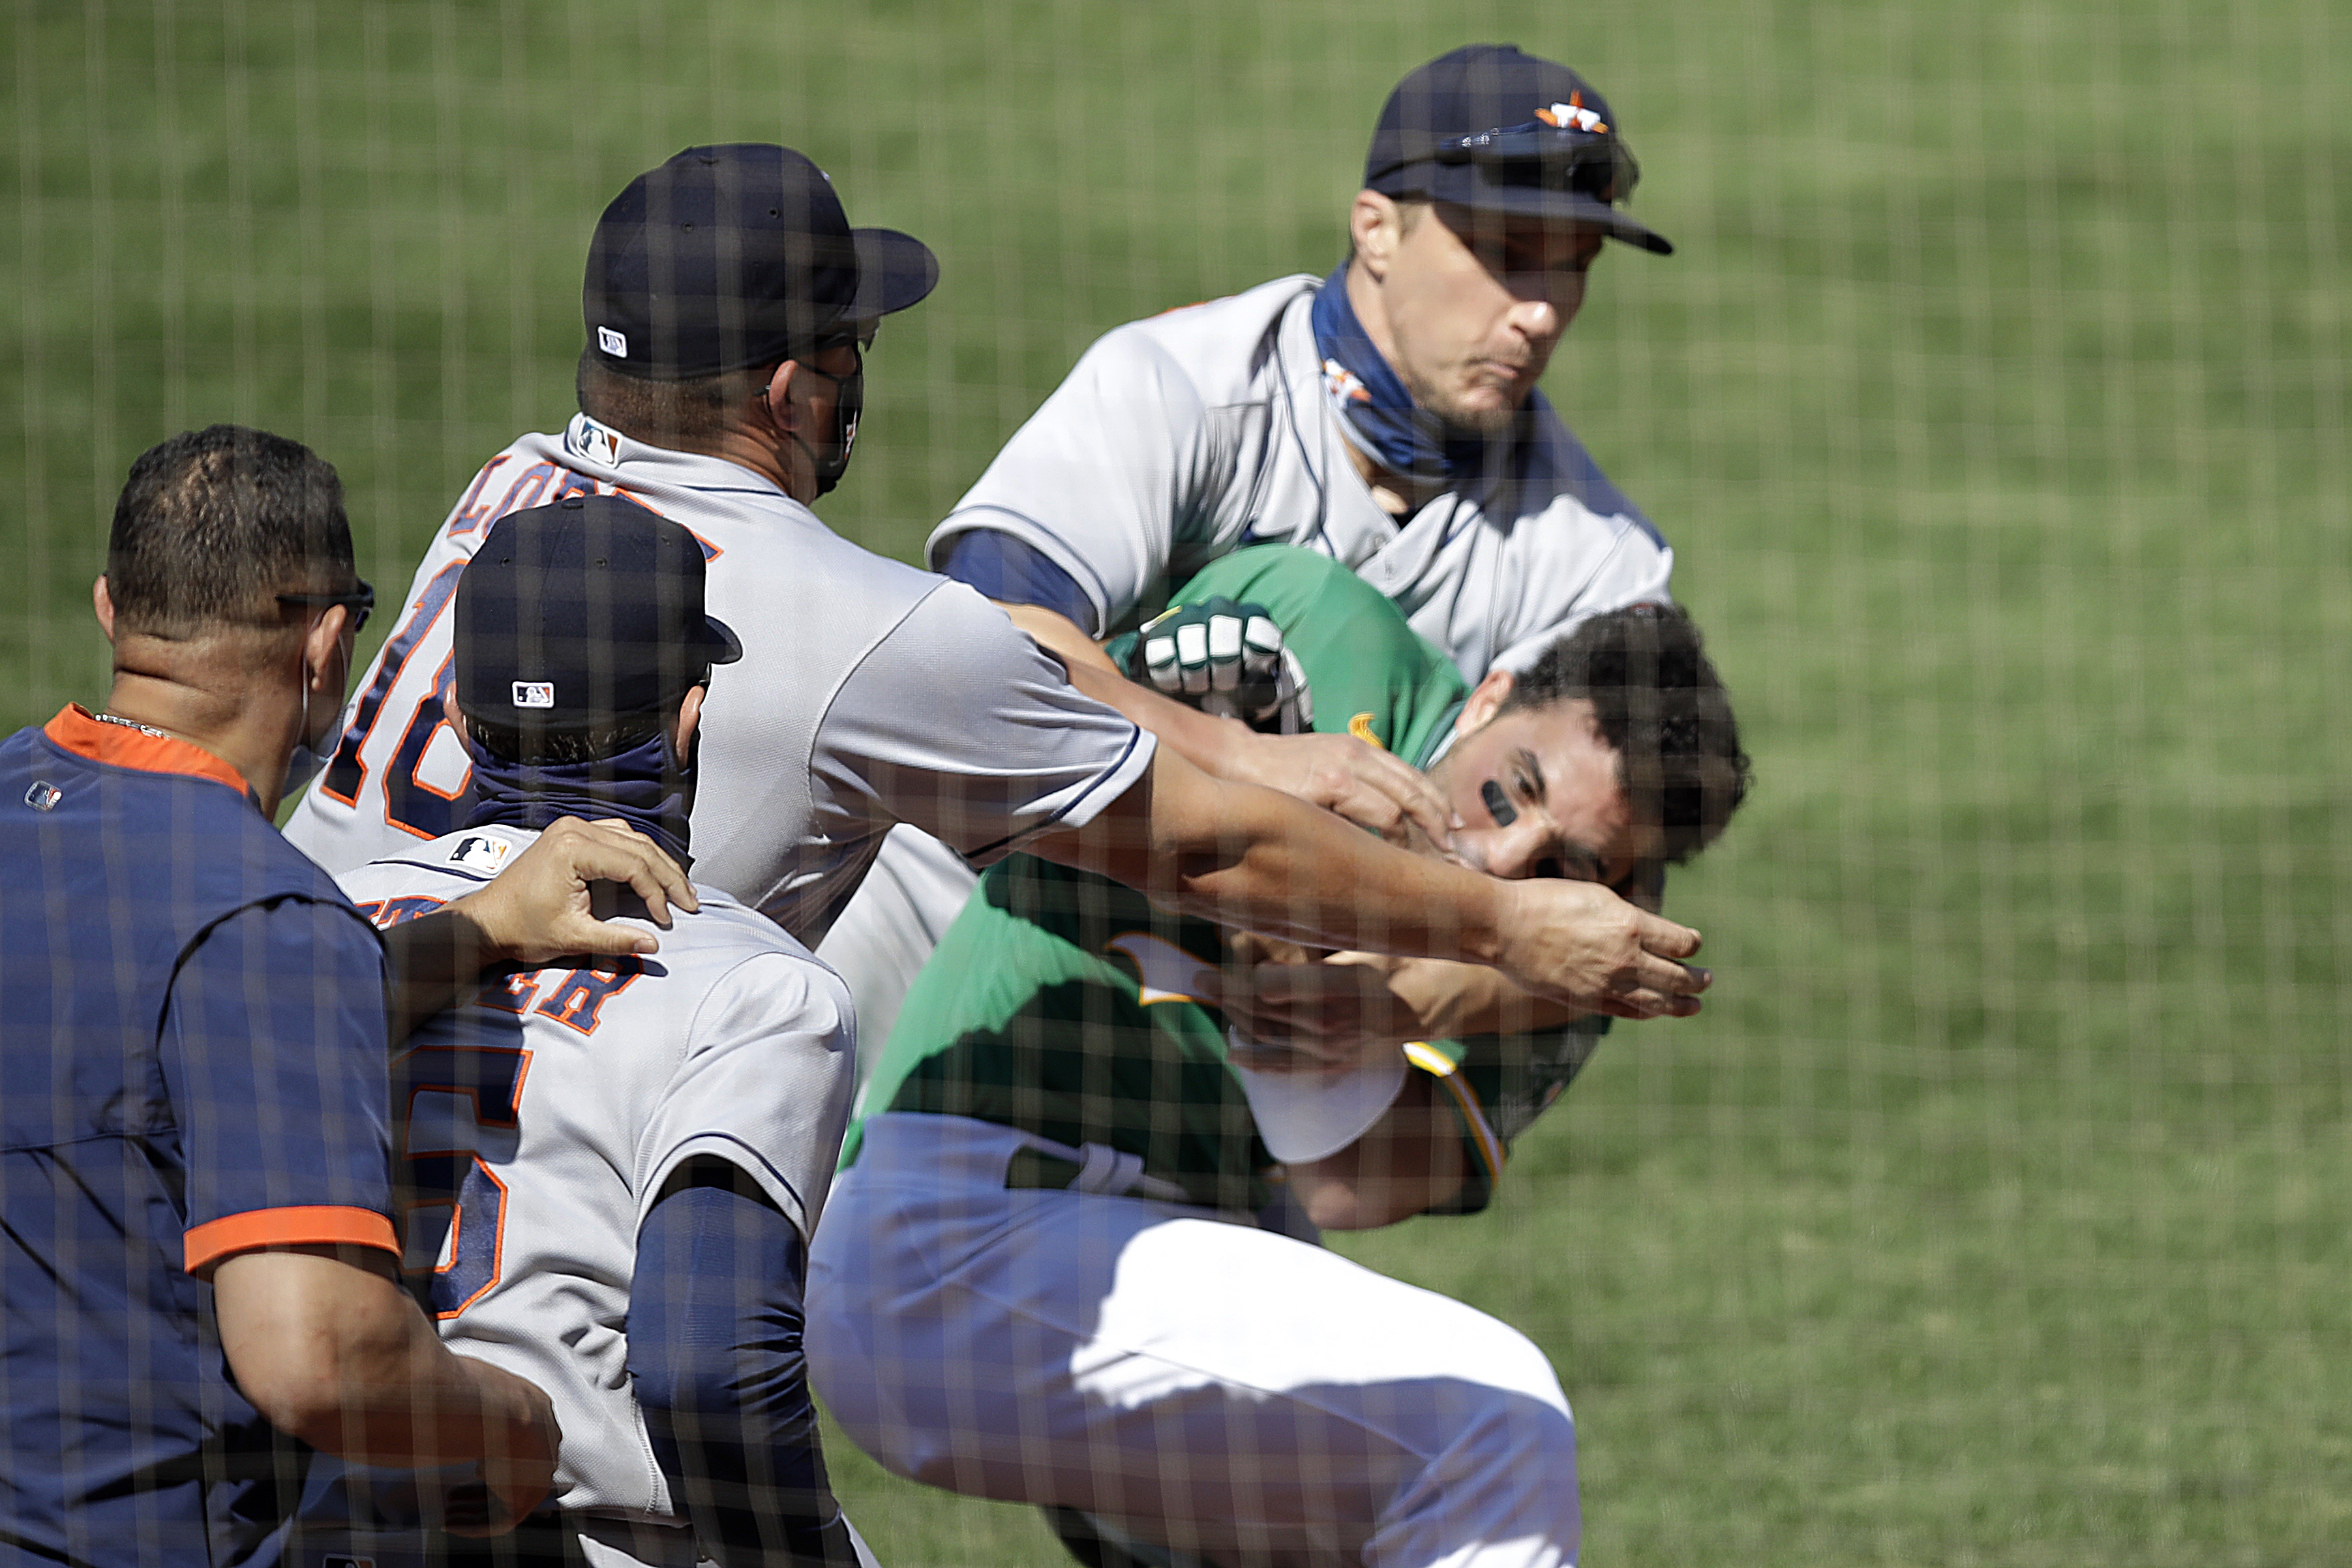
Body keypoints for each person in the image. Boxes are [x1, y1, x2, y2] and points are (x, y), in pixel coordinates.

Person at [283, 142, 1716, 1036]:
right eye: (855, 343)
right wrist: (1512, 925)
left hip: (311, 1033)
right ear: (794, 387)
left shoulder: (507, 492)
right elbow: (1207, 847)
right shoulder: (868, 627)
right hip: (530, 1156)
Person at [807, 547, 1751, 1568]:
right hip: (954, 1236)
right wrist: (1235, 753)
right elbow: (988, 653)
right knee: (1496, 1427)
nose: (1508, 858)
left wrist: (1387, 1008)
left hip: (1142, 1283)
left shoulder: (1559, 963)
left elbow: (1346, 1186)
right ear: (1489, 696)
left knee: (1405, 1499)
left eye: (1566, 867)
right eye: (1512, 792)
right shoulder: (1330, 645)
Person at [824, 42, 1688, 1052]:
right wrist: (1243, 758)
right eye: (1506, 251)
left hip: (1234, 1014)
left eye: (1571, 267)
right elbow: (983, 648)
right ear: (1376, 228)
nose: (1541, 310)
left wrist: (1416, 996)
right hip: (956, 905)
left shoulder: (1600, 556)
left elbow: (1620, 897)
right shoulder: (1182, 387)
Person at [0, 426, 694, 1568]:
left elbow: (156, 1048)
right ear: (326, 648)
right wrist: (513, 1424)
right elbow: (316, 1354)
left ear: (113, 610)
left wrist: (472, 931)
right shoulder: (258, 921)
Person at [305, 496, 872, 1568]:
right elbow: (712, 1369)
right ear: (689, 723)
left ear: (464, 729)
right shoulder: (754, 990)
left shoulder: (314, 931)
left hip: (311, 1530)